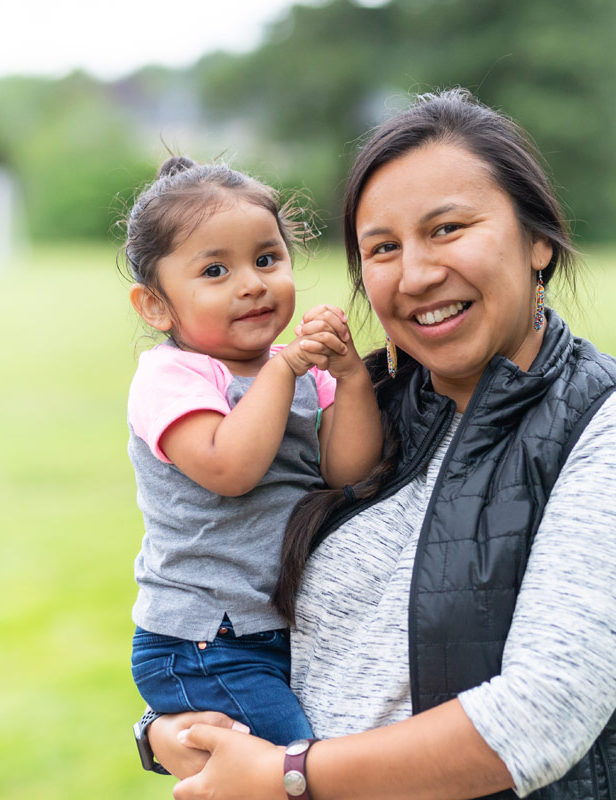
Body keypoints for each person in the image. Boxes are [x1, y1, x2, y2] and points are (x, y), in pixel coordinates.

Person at [142, 90, 616, 800]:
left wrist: (286, 775)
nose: (415, 274)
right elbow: (237, 611)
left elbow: (538, 720)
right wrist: (163, 727)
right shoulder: (357, 416)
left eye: (447, 229)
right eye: (382, 248)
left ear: (537, 241)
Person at [123, 156, 383, 747]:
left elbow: (346, 472)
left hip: (270, 631)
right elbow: (230, 469)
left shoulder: (295, 375)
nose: (251, 283)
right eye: (215, 270)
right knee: (293, 765)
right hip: (203, 640)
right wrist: (287, 368)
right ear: (156, 306)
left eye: (266, 259)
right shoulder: (172, 376)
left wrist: (350, 380)